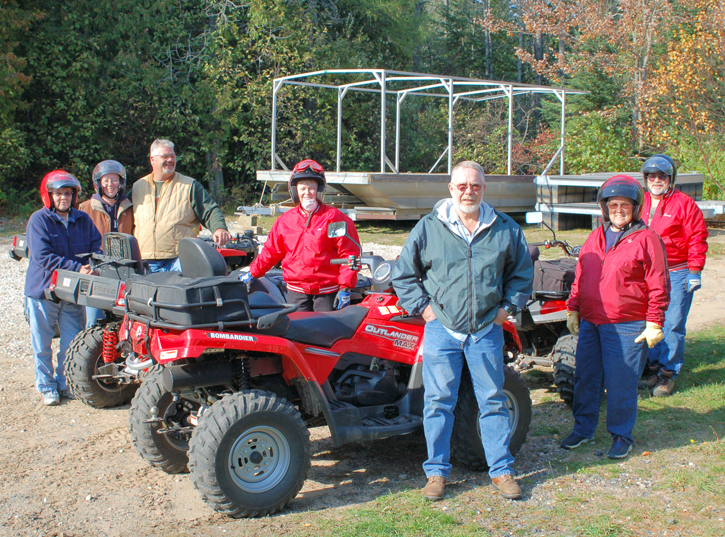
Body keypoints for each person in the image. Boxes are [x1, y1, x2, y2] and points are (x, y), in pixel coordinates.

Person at [392, 161, 533, 501]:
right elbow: (404, 274)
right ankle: (436, 474)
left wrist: (504, 311)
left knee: (493, 400)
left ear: (484, 189)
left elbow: (522, 274)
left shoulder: (504, 228)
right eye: (462, 186)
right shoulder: (429, 228)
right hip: (443, 330)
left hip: (486, 330)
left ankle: (501, 470)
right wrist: (426, 311)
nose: (468, 191)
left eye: (475, 186)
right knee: (438, 401)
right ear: (450, 188)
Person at [562, 175, 670, 458]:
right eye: (612, 204)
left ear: (635, 208)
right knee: (585, 377)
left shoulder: (647, 239)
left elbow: (658, 282)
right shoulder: (594, 237)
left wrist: (655, 319)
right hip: (591, 323)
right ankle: (583, 428)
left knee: (620, 381)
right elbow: (581, 275)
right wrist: (574, 306)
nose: (618, 209)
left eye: (624, 204)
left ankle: (622, 434)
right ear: (604, 207)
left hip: (626, 324)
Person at [25, 171, 103, 406]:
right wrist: (76, 268)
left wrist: (94, 264)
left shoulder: (82, 219)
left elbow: (96, 246)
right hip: (43, 291)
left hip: (72, 293)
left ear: (74, 195)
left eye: (67, 193)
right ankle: (46, 386)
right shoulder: (38, 220)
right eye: (58, 194)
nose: (63, 198)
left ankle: (65, 383)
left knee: (71, 343)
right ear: (48, 196)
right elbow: (42, 256)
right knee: (42, 345)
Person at [242, 159, 360, 311]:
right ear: (295, 190)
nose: (307, 193)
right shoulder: (285, 221)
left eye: (311, 188)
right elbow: (271, 252)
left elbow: (349, 254)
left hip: (327, 292)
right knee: (296, 332)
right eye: (303, 188)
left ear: (319, 190)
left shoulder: (335, 218)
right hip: (296, 292)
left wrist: (346, 287)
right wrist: (253, 272)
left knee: (326, 333)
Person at [639, 155, 709, 397]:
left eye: (661, 176)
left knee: (672, 323)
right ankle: (653, 369)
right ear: (645, 178)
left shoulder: (684, 204)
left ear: (671, 179)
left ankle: (668, 375)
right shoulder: (639, 202)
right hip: (647, 272)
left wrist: (694, 271)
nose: (656, 180)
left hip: (676, 271)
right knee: (651, 320)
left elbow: (697, 238)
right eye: (651, 176)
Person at [130, 139, 231, 273]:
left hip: (179, 260)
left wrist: (219, 228)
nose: (170, 160)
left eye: (172, 156)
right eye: (165, 156)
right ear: (152, 160)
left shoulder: (189, 185)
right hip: (146, 261)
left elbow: (210, 210)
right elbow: (122, 213)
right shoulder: (137, 187)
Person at [79, 159, 134, 327]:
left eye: (115, 180)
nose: (111, 184)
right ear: (99, 183)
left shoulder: (130, 207)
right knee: (94, 321)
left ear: (121, 182)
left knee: (126, 320)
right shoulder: (85, 208)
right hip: (97, 270)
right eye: (106, 180)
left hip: (125, 270)